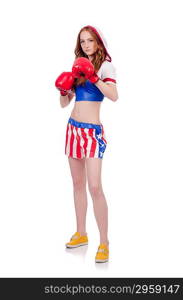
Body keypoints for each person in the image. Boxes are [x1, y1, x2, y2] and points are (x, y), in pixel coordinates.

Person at [55, 25, 118, 263]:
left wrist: (93, 75)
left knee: (95, 187)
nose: (86, 45)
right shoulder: (77, 65)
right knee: (78, 184)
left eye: (90, 41)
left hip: (92, 132)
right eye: (82, 42)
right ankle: (81, 233)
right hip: (73, 128)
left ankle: (104, 242)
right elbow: (64, 104)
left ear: (98, 42)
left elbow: (113, 95)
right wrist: (63, 90)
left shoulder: (105, 66)